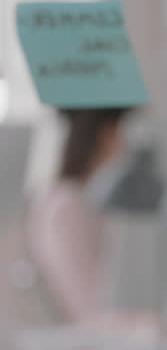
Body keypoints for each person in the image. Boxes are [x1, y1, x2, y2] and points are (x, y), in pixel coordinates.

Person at [26, 107, 129, 324]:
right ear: (107, 134)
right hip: (85, 337)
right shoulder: (66, 206)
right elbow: (88, 308)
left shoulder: (73, 199)